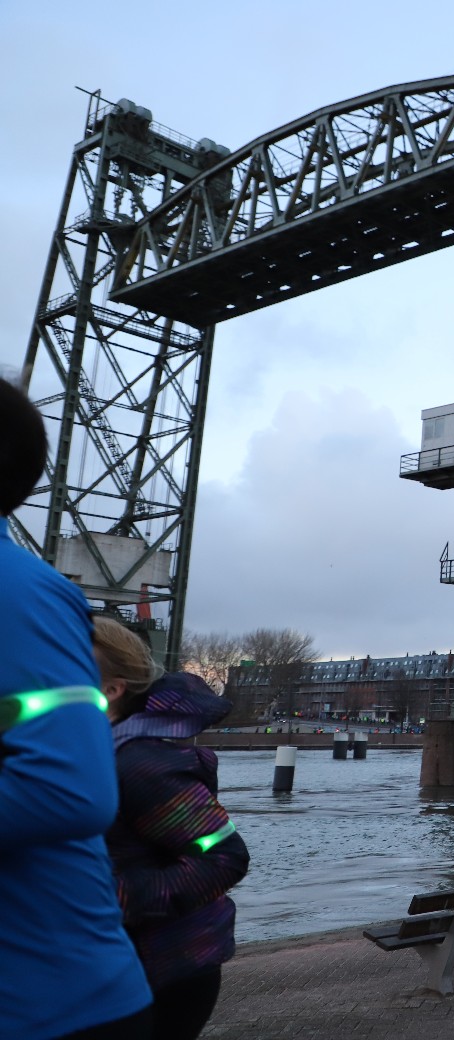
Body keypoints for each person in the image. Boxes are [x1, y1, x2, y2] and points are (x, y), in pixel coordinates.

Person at [0, 379, 154, 1040]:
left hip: (52, 1004)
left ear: (111, 688)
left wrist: (145, 898)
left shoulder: (149, 764)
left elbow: (216, 847)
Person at [92, 617, 251, 1040]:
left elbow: (224, 856)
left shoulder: (138, 764)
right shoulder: (94, 752)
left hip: (167, 971)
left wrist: (110, 898)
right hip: (125, 965)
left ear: (112, 690)